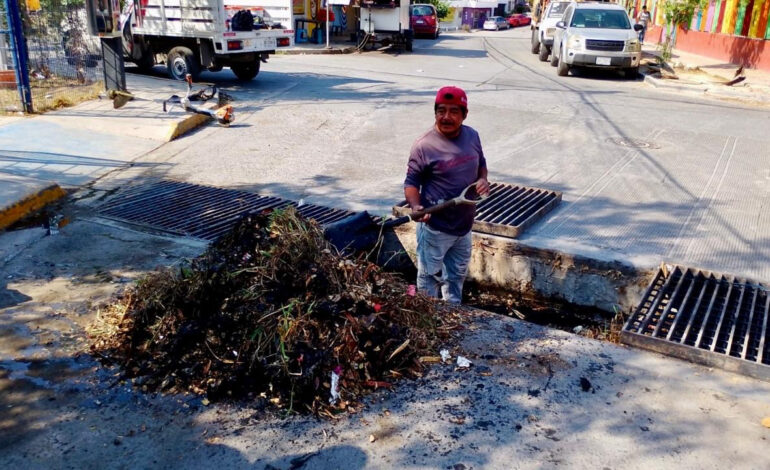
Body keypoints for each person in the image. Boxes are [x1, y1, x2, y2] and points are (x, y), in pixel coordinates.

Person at [403, 86, 490, 304]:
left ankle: (452, 315)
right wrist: (415, 206)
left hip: (464, 227)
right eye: (441, 111)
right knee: (429, 279)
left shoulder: (472, 136)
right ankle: (428, 319)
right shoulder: (423, 146)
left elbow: (482, 165)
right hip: (435, 230)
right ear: (435, 112)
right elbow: (411, 183)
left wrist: (482, 180)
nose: (446, 117)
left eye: (454, 111)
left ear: (464, 114)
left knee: (456, 277)